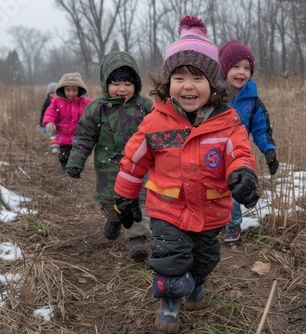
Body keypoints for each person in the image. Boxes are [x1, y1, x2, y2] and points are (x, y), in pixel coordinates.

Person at [112, 16, 260, 333]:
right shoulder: (156, 122)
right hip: (169, 208)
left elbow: (239, 152)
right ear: (168, 84)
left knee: (206, 257)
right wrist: (124, 196)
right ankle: (170, 303)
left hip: (211, 208)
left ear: (214, 85)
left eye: (198, 78)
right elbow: (133, 160)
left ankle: (198, 282)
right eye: (179, 77)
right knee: (172, 256)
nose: (188, 86)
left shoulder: (227, 121)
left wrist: (243, 175)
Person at [65, 51, 153, 262]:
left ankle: (136, 238)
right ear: (106, 83)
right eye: (116, 83)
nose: (122, 89)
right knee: (109, 202)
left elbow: (158, 131)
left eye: (128, 84)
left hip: (138, 167)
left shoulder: (146, 107)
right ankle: (113, 219)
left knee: (139, 201)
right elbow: (84, 135)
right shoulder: (97, 109)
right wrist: (76, 160)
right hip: (108, 168)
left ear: (137, 85)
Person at [218, 40, 279, 243]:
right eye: (235, 67)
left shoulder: (252, 100)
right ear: (224, 69)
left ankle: (233, 225)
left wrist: (268, 150)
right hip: (212, 150)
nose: (241, 72)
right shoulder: (213, 96)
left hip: (237, 153)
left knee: (234, 186)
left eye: (246, 68)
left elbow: (261, 129)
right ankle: (211, 222)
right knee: (211, 188)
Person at [42, 72, 92, 169]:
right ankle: (64, 168)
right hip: (63, 135)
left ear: (79, 90)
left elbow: (93, 112)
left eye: (74, 90)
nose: (71, 93)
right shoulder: (57, 102)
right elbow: (51, 113)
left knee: (78, 155)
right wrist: (49, 122)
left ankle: (75, 169)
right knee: (64, 156)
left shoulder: (85, 102)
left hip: (79, 136)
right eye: (68, 90)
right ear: (63, 90)